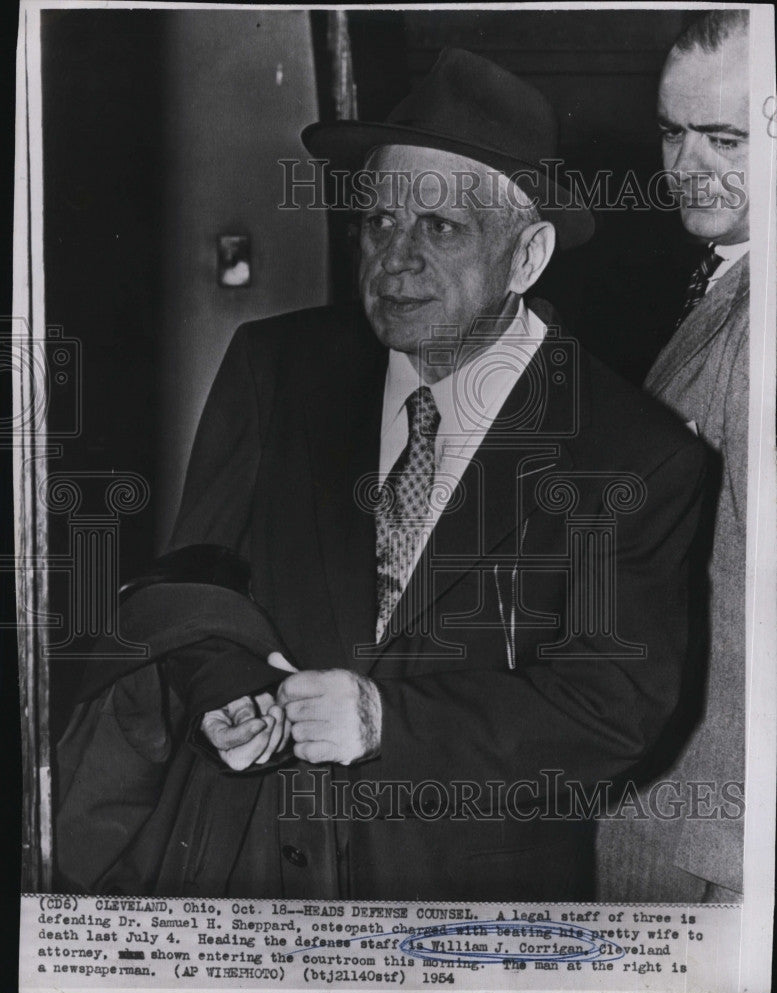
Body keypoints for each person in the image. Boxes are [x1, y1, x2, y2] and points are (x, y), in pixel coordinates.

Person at [56, 47, 706, 902]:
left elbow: (611, 706)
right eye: (378, 222)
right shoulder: (277, 367)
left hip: (465, 904)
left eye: (439, 228)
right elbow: (191, 578)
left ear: (527, 256)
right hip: (250, 870)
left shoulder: (632, 455)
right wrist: (227, 688)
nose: (393, 261)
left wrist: (384, 723)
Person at [596, 10, 749, 902]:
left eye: (721, 137)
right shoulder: (713, 280)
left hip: (709, 827)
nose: (685, 165)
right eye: (671, 131)